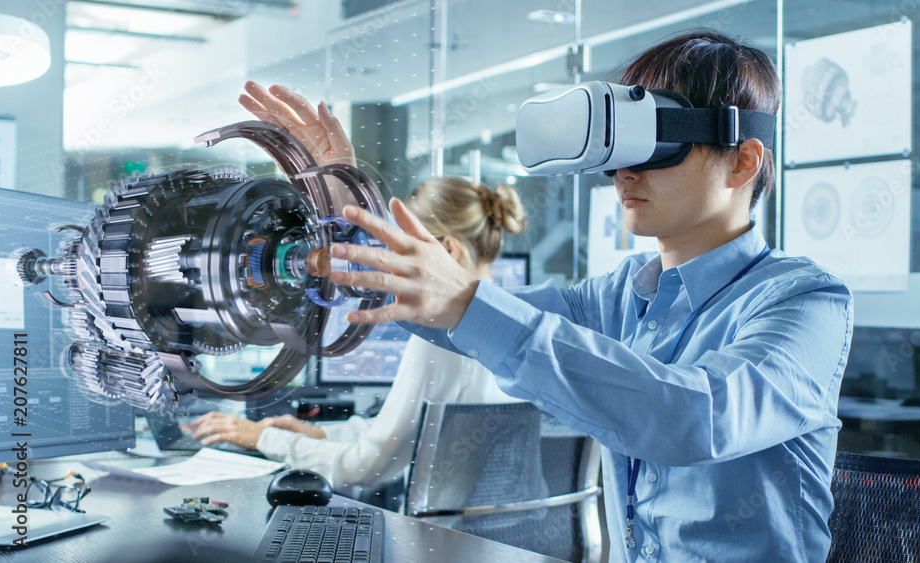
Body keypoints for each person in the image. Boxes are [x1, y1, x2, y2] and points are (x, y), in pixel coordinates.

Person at [319, 30, 854, 562]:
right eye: (622, 144)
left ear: (742, 161)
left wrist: (467, 303)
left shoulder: (806, 301)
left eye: (656, 143)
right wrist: (348, 216)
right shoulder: (620, 296)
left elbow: (696, 417)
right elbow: (444, 309)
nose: (625, 171)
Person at [193, 85, 528, 490]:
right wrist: (317, 433)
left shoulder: (444, 337)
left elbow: (364, 468)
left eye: (405, 250)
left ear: (448, 251)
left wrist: (262, 437)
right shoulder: (517, 325)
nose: (392, 265)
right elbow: (400, 437)